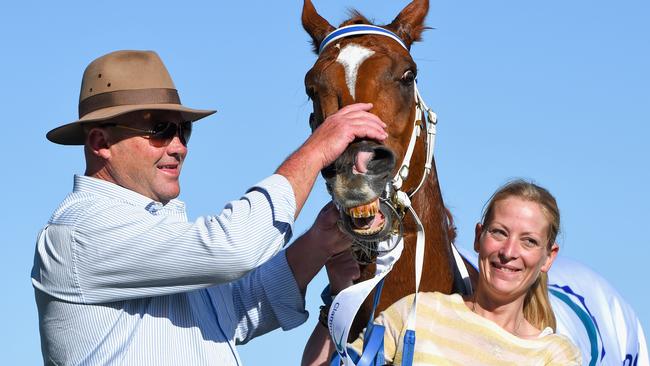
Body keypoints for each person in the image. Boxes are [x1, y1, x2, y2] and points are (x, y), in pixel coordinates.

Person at [31, 49, 388, 365]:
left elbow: (236, 308)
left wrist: (321, 241)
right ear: (100, 142)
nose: (178, 146)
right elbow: (233, 249)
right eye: (159, 130)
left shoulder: (141, 232)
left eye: (183, 130)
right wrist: (318, 148)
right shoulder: (80, 231)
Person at [302, 180, 582, 365]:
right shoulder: (419, 312)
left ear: (548, 257)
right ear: (478, 237)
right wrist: (339, 294)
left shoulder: (554, 356)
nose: (508, 251)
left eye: (529, 241)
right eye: (499, 232)